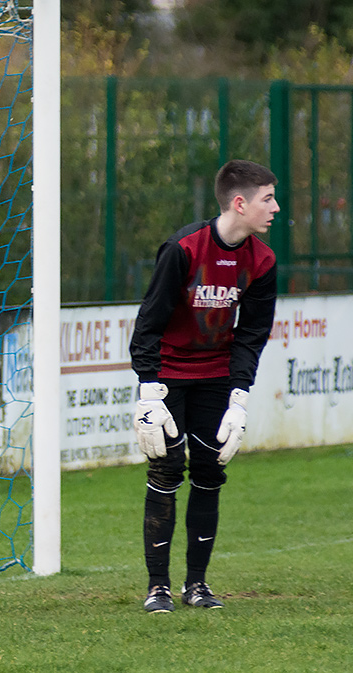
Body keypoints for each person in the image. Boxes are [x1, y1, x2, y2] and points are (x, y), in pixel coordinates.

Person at [130, 159, 279, 613]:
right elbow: (148, 324)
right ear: (240, 203)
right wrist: (148, 392)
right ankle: (158, 588)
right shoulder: (182, 248)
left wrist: (239, 397)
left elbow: (251, 335)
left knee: (211, 473)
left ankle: (197, 586)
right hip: (170, 377)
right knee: (166, 471)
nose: (275, 208)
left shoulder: (263, 261)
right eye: (267, 198)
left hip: (216, 378)